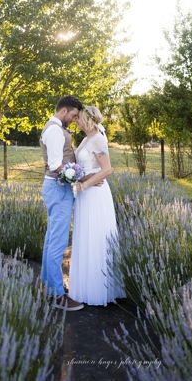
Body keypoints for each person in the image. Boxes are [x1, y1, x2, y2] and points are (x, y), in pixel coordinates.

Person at [68, 105, 125, 306]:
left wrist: (83, 185)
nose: (76, 121)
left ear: (87, 119)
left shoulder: (99, 139)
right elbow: (87, 167)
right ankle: (84, 286)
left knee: (96, 236)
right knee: (85, 236)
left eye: (79, 118)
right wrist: (80, 178)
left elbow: (107, 169)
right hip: (85, 195)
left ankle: (99, 289)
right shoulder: (85, 139)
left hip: (95, 194)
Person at [41, 95, 85, 311]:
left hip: (55, 188)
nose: (74, 120)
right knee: (58, 243)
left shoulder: (55, 128)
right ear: (64, 110)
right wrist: (78, 179)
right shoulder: (55, 130)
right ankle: (58, 295)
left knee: (51, 240)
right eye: (74, 115)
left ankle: (47, 286)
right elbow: (56, 164)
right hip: (58, 188)